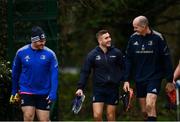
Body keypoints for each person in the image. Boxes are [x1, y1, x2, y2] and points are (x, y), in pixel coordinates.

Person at [123, 16, 173, 121]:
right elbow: (128, 59)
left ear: (144, 26)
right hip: (139, 78)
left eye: (136, 27)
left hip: (154, 77)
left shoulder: (158, 38)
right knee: (145, 111)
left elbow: (166, 59)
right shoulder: (133, 38)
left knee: (150, 103)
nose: (134, 30)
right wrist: (126, 79)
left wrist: (169, 80)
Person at [9, 26, 59, 121]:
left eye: (44, 40)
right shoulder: (21, 52)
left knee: (44, 120)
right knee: (28, 116)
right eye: (40, 41)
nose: (43, 43)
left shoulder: (50, 54)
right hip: (26, 90)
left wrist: (53, 92)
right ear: (33, 40)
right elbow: (15, 73)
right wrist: (14, 91)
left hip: (44, 92)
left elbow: (54, 74)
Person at [75, 29, 124, 121]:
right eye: (106, 38)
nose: (109, 39)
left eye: (109, 37)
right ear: (100, 41)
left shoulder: (117, 53)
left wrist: (125, 81)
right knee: (97, 116)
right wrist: (80, 87)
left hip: (113, 88)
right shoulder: (92, 55)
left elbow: (124, 68)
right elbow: (85, 71)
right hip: (98, 89)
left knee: (110, 116)